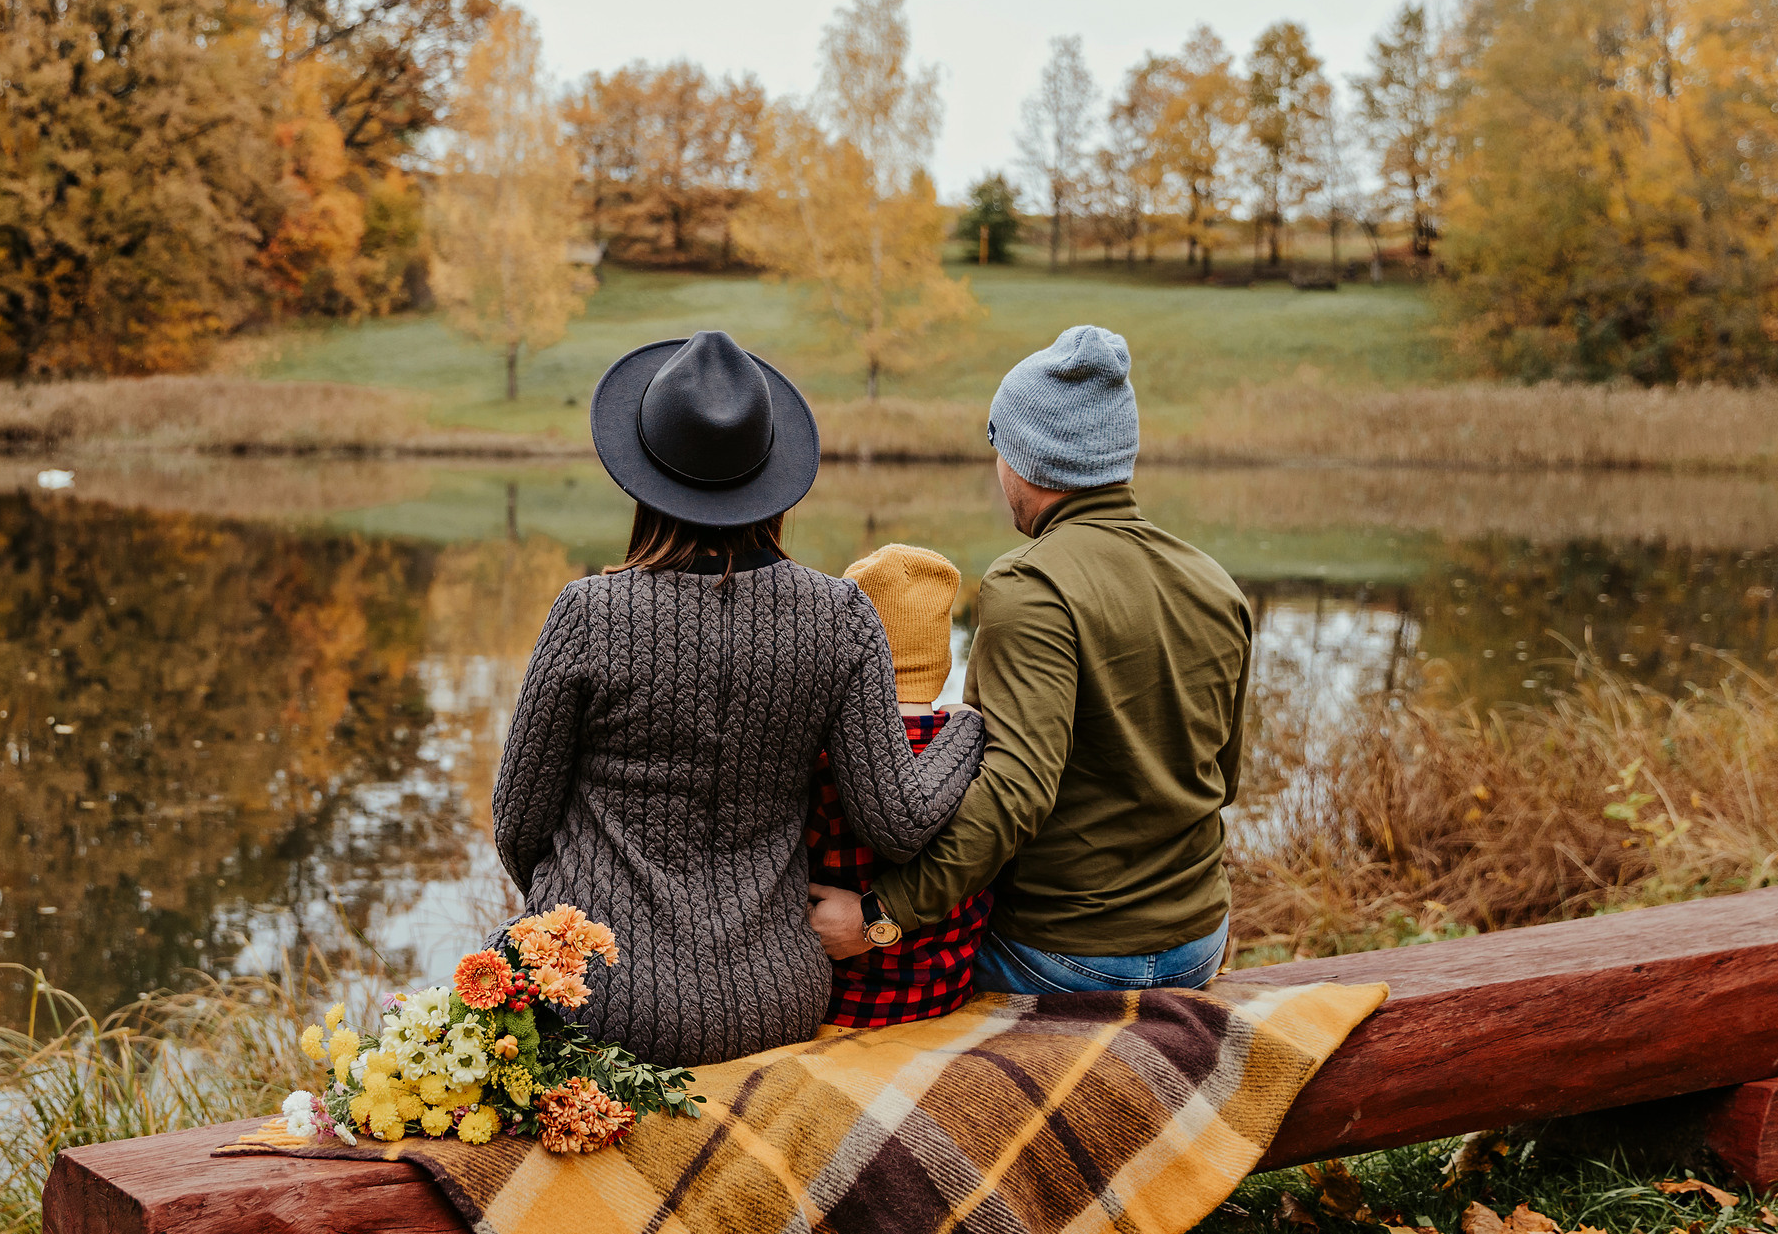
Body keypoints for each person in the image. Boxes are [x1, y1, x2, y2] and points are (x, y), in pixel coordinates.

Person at [492, 330, 985, 1067]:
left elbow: (518, 825)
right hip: (775, 999)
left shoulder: (588, 612)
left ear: (643, 476)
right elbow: (899, 820)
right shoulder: (840, 616)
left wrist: (593, 912)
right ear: (770, 476)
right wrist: (970, 725)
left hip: (597, 997)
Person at [808, 325, 1253, 997]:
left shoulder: (1031, 585)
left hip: (1067, 957)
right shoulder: (1214, 581)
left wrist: (877, 916)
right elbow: (1223, 776)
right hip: (1200, 942)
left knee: (876, 979)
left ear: (1021, 455)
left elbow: (1014, 791)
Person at [804, 544, 994, 1030]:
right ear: (941, 660)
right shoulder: (984, 757)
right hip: (946, 995)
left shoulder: (822, 760)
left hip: (845, 1007)